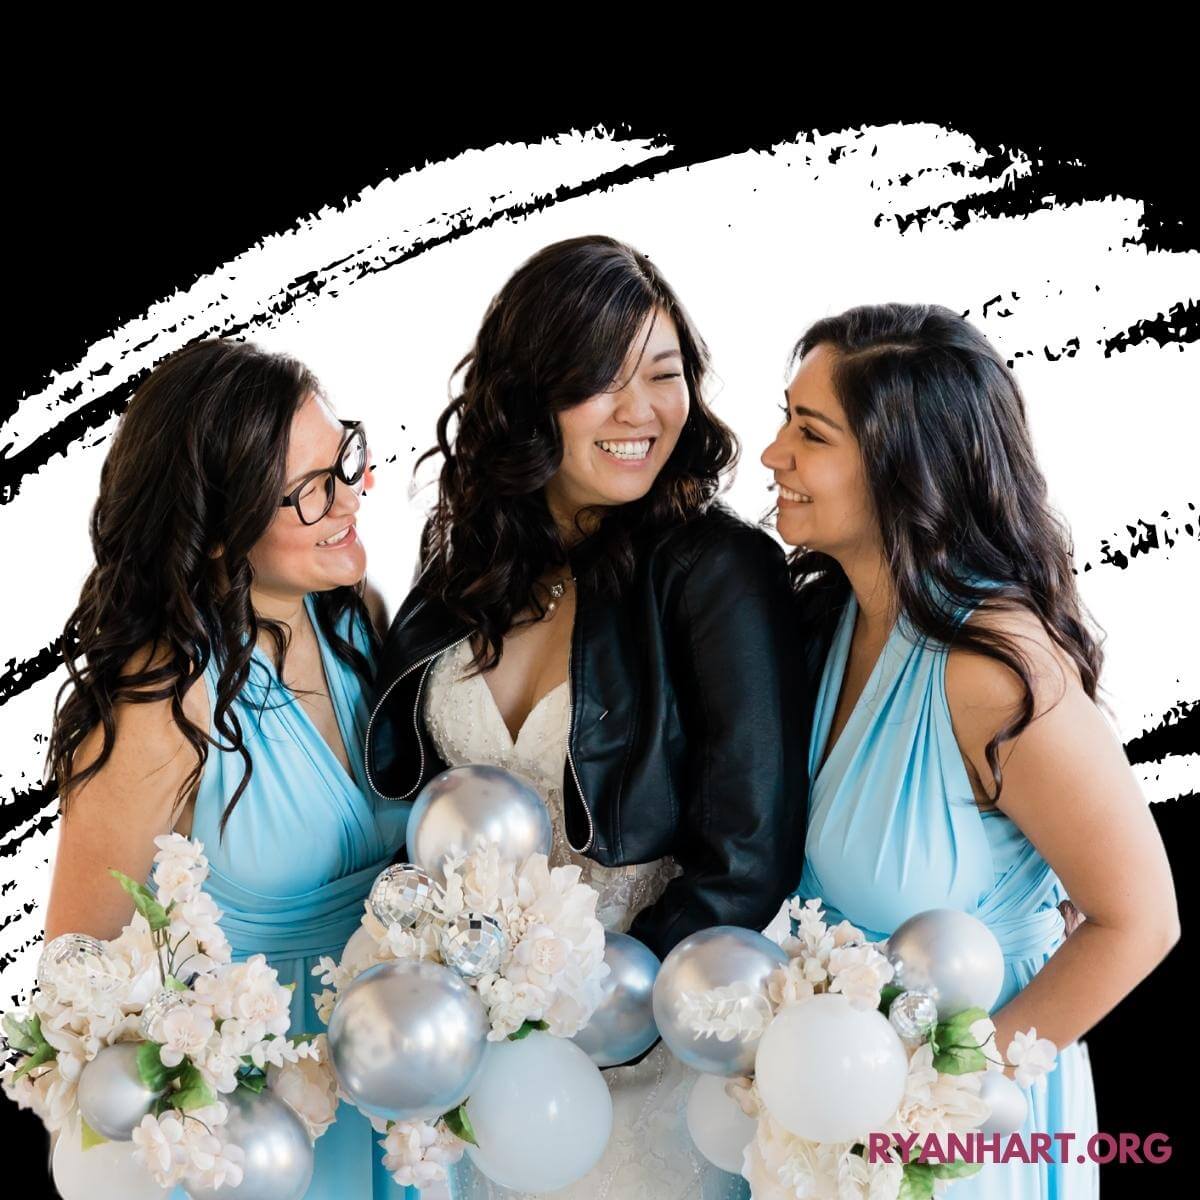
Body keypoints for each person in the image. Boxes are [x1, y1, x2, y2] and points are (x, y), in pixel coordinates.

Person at [365, 235, 810, 1199]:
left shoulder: (718, 570)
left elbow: (750, 850)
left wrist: (596, 1008)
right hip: (478, 1060)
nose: (641, 412)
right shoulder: (462, 573)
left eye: (664, 375)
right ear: (530, 399)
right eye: (600, 382)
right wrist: (483, 1010)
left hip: (648, 1051)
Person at [760, 303, 1180, 1198]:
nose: (773, 456)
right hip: (825, 1112)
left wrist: (946, 1100)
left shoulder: (994, 670)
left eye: (810, 434)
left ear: (901, 466)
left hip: (949, 1145)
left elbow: (1139, 921)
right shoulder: (828, 618)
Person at [41, 339, 418, 1200]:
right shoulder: (162, 695)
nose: (353, 496)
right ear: (216, 526)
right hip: (254, 1139)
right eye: (309, 489)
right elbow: (79, 981)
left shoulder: (354, 625)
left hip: (399, 1091)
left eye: (345, 458)